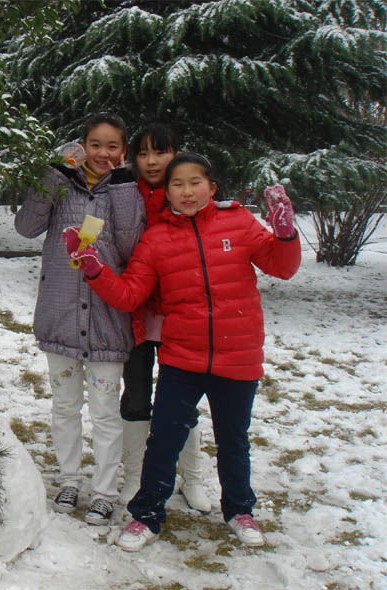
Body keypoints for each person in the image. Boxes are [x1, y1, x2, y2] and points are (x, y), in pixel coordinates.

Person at [65, 152, 300, 550]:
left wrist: (286, 235)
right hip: (182, 358)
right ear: (167, 192)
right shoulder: (157, 238)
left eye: (196, 182)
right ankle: (147, 515)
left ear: (212, 186)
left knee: (233, 440)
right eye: (177, 184)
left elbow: (282, 267)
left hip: (238, 355)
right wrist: (94, 268)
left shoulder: (239, 222)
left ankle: (240, 510)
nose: (187, 191)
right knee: (163, 439)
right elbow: (129, 295)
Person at [15, 113, 146, 526]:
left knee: (105, 412)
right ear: (82, 146)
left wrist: (124, 186)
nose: (103, 154)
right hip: (60, 318)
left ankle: (105, 490)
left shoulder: (127, 190)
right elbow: (26, 226)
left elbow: (129, 244)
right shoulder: (61, 186)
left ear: (122, 151)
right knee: (65, 407)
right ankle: (69, 478)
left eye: (112, 146)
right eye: (95, 145)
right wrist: (53, 174)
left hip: (108, 322)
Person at [120, 124, 210, 512]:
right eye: (143, 153)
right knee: (137, 396)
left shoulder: (188, 198)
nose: (152, 161)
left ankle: (192, 478)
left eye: (161, 151)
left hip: (180, 315)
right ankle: (133, 478)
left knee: (182, 403)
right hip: (134, 312)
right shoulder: (122, 193)